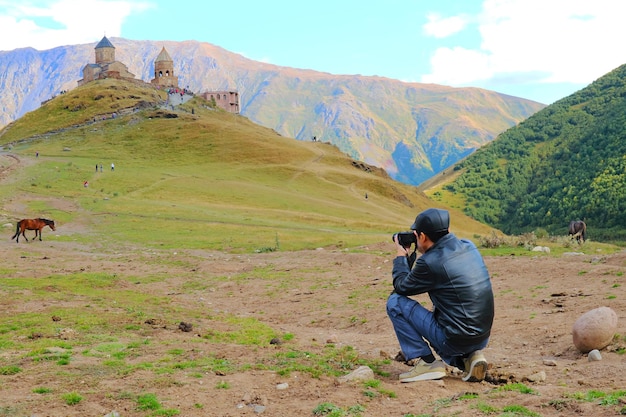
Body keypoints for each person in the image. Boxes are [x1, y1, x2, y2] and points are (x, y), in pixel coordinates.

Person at [387, 208, 494, 383]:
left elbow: (401, 288)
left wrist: (401, 255)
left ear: (421, 237)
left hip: (456, 339)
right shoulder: (469, 246)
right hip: (482, 336)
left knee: (394, 303)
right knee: (448, 306)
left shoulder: (430, 261)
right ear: (448, 230)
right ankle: (468, 359)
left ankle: (428, 363)